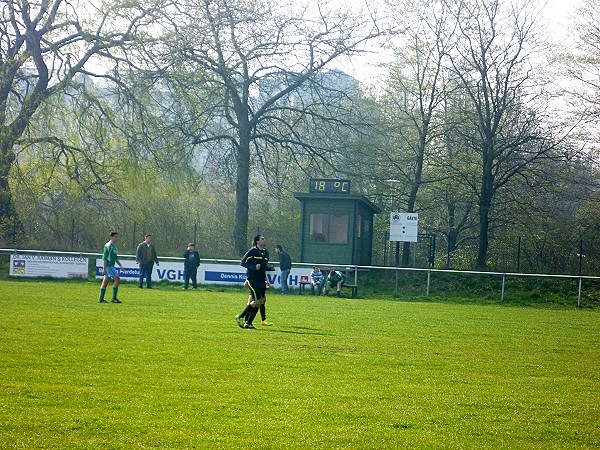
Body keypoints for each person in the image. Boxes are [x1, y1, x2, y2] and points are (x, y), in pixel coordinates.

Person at [235, 234, 272, 329]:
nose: (264, 240)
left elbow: (263, 267)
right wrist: (253, 267)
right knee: (258, 301)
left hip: (261, 280)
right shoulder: (252, 251)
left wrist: (269, 269)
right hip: (252, 279)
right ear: (257, 241)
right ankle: (240, 316)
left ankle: (248, 323)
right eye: (262, 239)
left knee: (261, 301)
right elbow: (243, 263)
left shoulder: (265, 252)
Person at [99, 231, 125, 303]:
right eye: (115, 237)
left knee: (105, 282)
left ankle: (101, 299)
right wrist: (104, 269)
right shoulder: (108, 246)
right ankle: (114, 298)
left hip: (111, 266)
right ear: (111, 237)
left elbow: (115, 258)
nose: (117, 238)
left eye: (117, 237)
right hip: (109, 266)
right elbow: (104, 258)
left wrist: (121, 266)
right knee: (117, 279)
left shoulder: (114, 246)